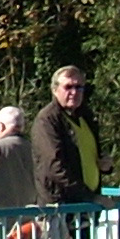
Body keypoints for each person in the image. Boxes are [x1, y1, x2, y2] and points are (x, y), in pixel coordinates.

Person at [30, 66, 103, 206]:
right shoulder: (47, 119)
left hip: (85, 205)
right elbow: (54, 165)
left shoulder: (86, 116)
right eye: (68, 87)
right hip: (60, 205)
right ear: (55, 90)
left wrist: (105, 164)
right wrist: (87, 196)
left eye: (79, 87)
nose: (74, 92)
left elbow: (91, 154)